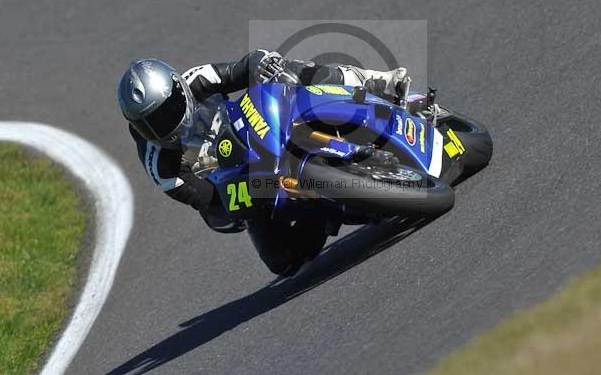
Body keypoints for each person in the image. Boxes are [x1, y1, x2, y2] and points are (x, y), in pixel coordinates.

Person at [117, 49, 407, 276]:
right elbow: (210, 204)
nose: (164, 126)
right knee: (282, 261)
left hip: (260, 123)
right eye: (150, 124)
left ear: (179, 88)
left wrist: (264, 68)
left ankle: (375, 82)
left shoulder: (198, 80)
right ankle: (331, 210)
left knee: (288, 71)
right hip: (241, 176)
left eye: (168, 111)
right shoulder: (161, 166)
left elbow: (249, 64)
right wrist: (242, 193)